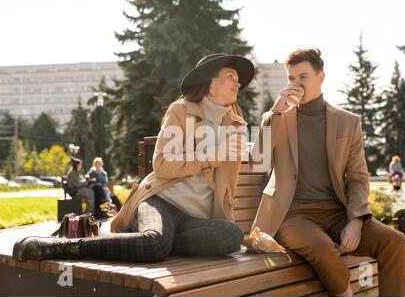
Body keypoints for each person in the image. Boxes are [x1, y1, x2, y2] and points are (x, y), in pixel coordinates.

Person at [13, 53, 254, 263]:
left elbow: (228, 185)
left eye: (238, 79)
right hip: (162, 202)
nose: (238, 82)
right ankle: (68, 246)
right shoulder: (181, 111)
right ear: (210, 81)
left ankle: (152, 241)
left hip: (195, 219)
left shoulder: (235, 126)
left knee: (231, 236)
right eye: (231, 76)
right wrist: (212, 155)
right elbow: (162, 165)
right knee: (154, 244)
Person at [247, 48, 405, 297]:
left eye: (303, 77)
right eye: (291, 78)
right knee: (322, 247)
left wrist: (356, 220)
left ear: (321, 77)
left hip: (337, 213)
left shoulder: (348, 122)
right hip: (292, 215)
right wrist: (275, 113)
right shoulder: (277, 117)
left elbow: (357, 177)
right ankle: (345, 292)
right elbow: (258, 162)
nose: (296, 84)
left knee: (395, 242)